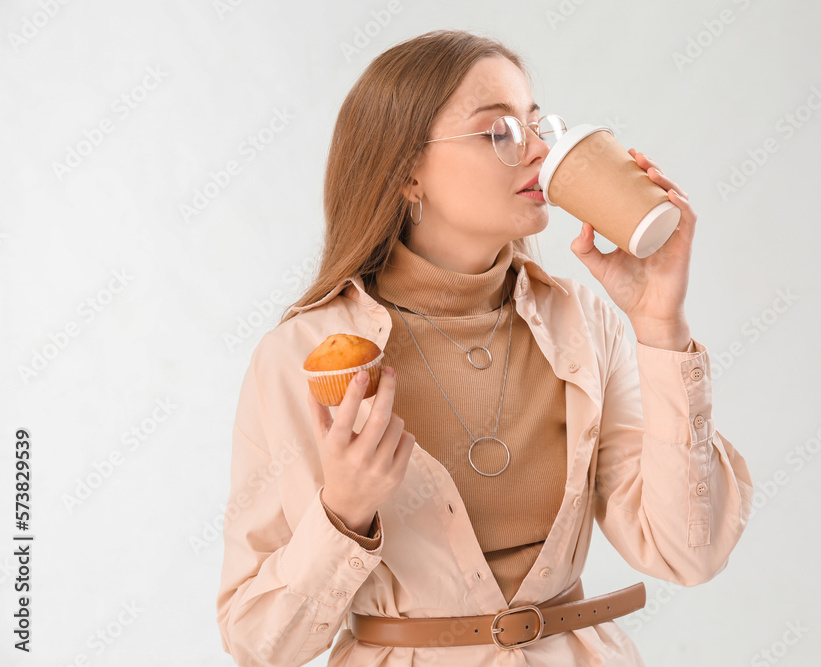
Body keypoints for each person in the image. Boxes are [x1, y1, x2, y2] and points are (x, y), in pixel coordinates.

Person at [216, 28, 753, 666]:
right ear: (407, 172)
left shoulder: (583, 323)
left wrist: (661, 326)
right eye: (498, 132)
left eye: (534, 125)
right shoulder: (301, 357)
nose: (537, 153)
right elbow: (257, 642)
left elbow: (690, 552)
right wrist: (343, 514)